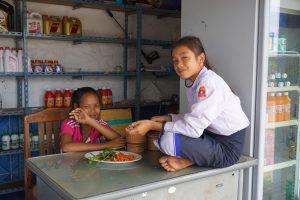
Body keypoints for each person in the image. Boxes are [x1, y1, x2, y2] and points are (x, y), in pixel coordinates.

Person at [125, 36, 249, 172]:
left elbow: (193, 129)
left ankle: (187, 160)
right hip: (210, 137)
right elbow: (196, 118)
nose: (179, 64)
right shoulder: (195, 82)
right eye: (175, 61)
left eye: (185, 58)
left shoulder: (208, 83)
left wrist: (152, 126)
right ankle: (189, 160)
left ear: (201, 58)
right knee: (167, 135)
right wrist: (170, 118)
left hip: (227, 149)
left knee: (168, 140)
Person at [61, 87, 125, 152]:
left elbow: (118, 139)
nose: (93, 111)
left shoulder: (98, 122)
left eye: (96, 106)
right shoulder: (70, 123)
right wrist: (106, 145)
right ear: (76, 107)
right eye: (87, 106)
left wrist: (91, 122)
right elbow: (66, 147)